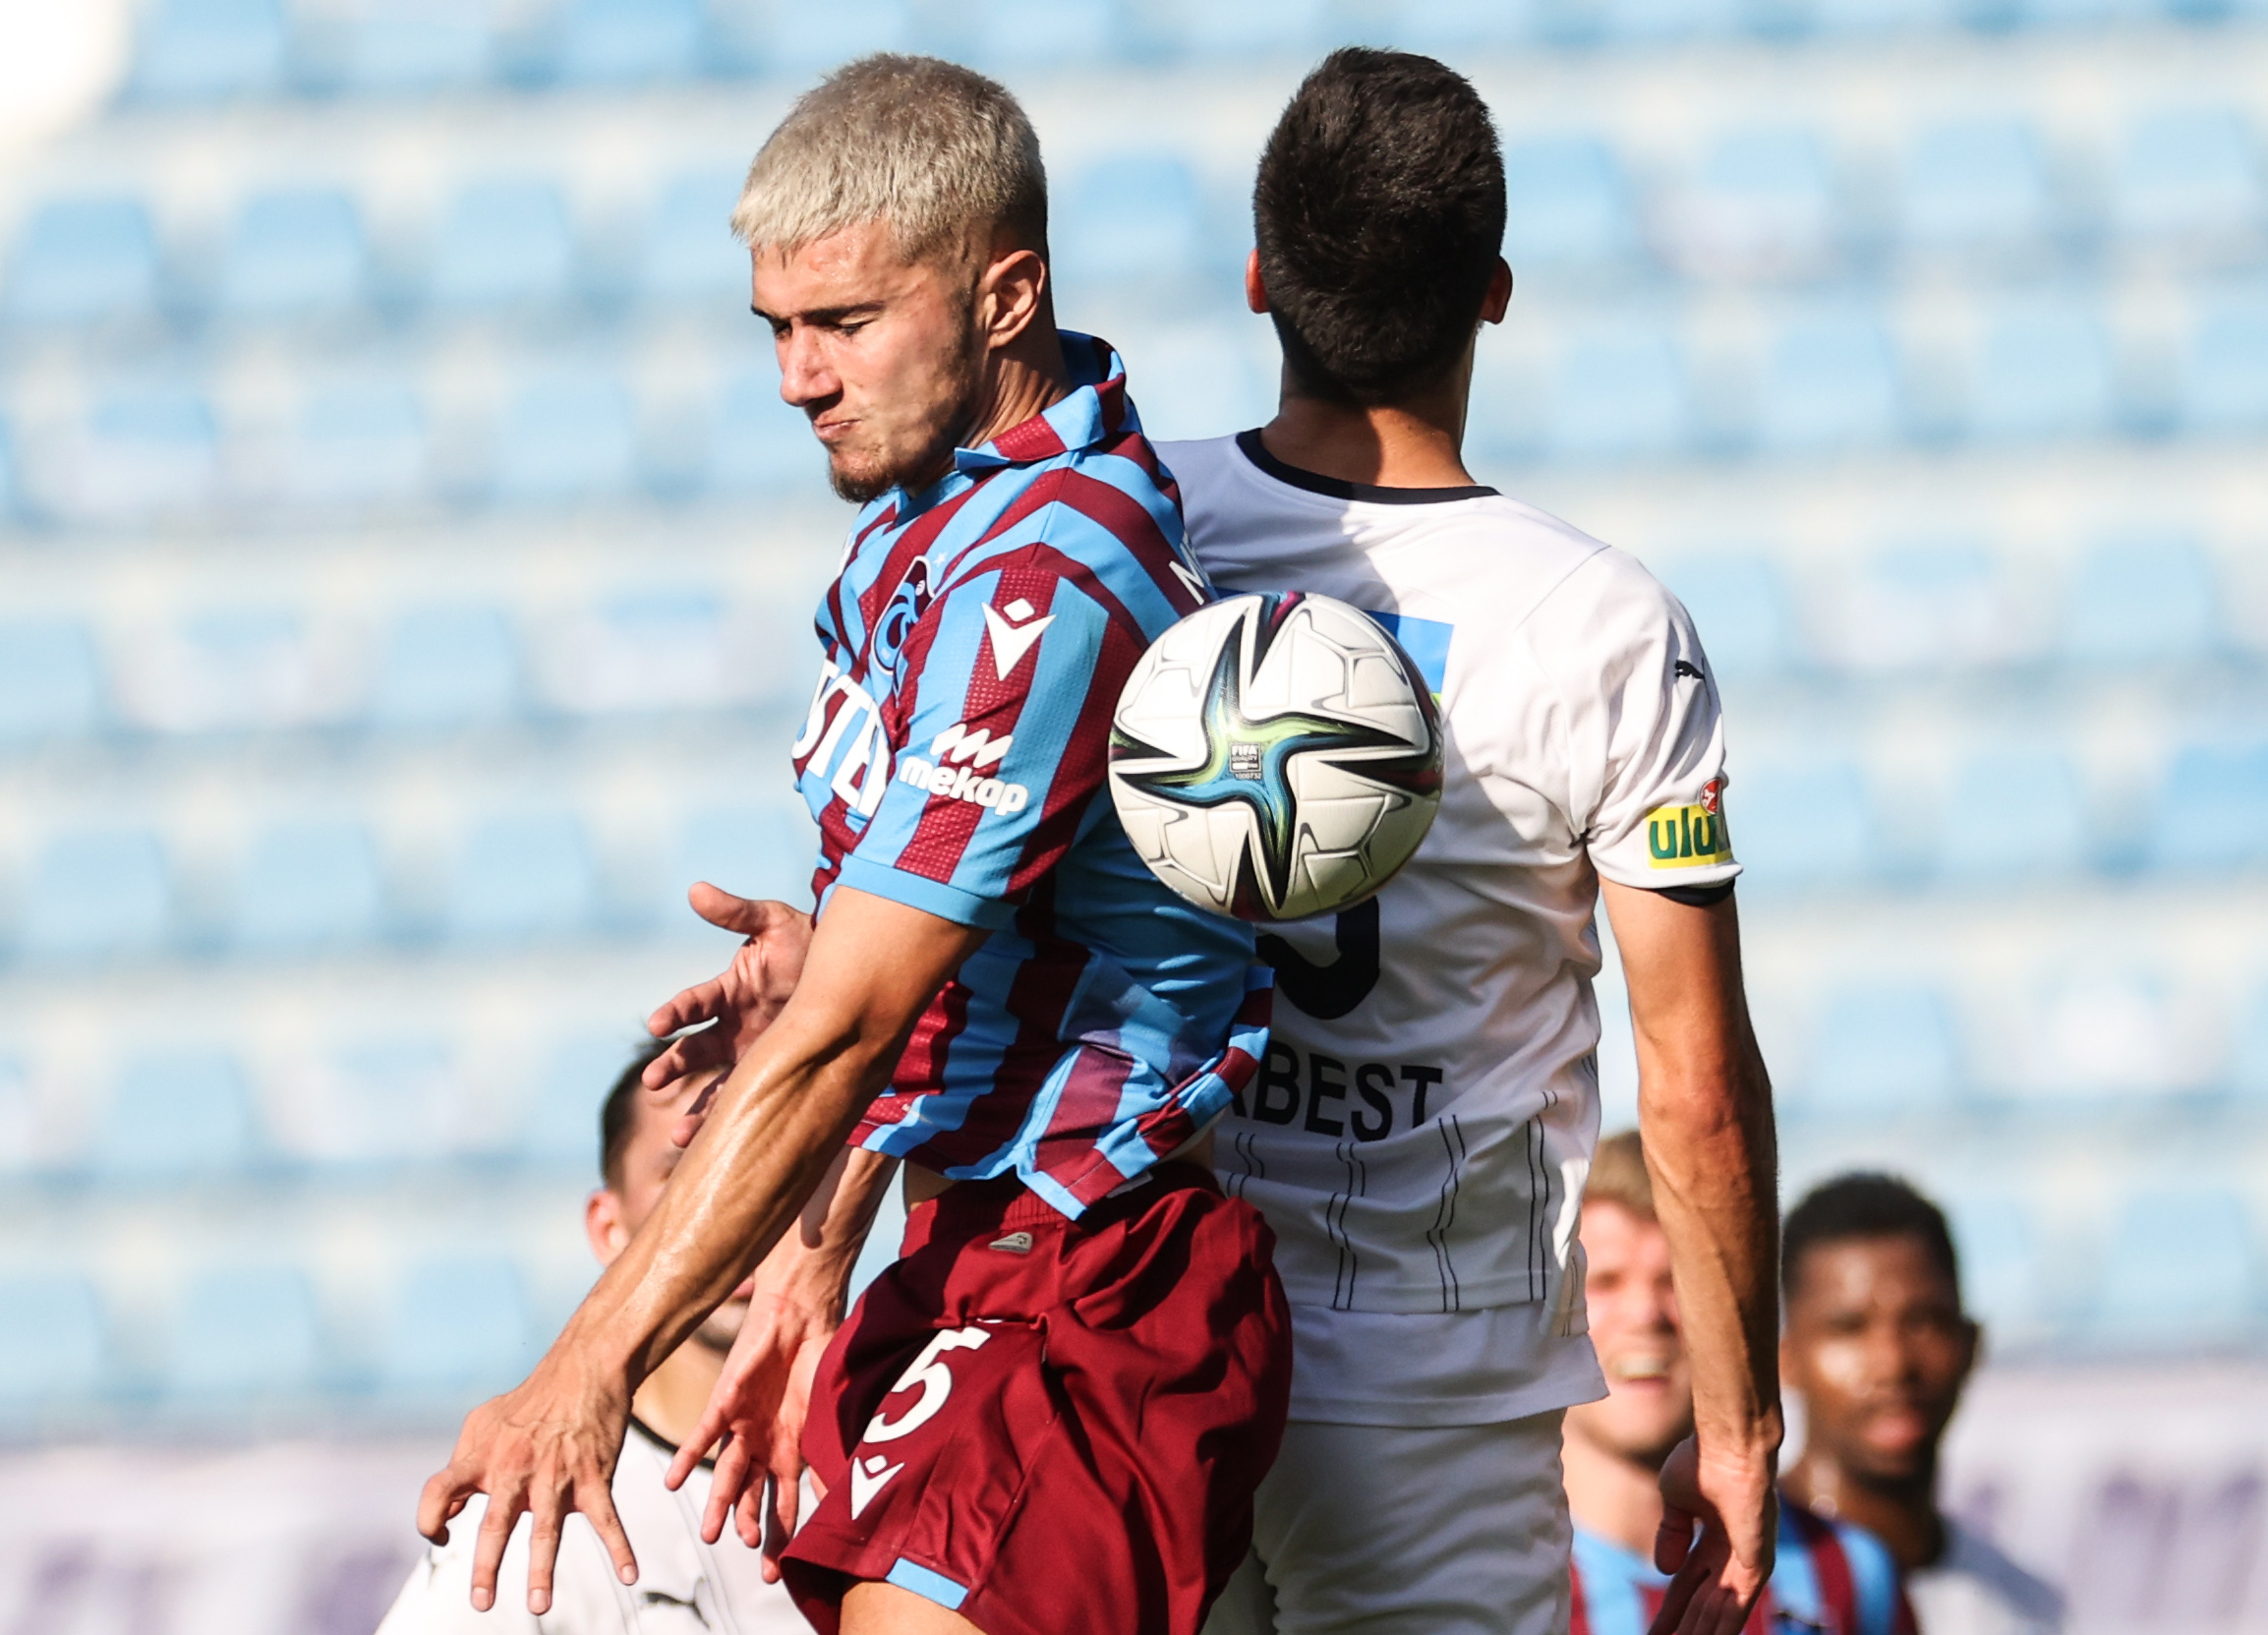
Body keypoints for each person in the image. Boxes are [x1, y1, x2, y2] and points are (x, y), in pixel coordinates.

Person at [415, 54, 1291, 1635]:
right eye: (775, 328)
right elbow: (928, 971)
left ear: (1005, 295)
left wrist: (587, 1364)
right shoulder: (923, 522)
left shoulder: (1046, 571)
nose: (794, 377)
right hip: (959, 1257)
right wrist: (822, 1249)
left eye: (841, 322)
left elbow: (851, 1026)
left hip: (1092, 1275)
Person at [1160, 49, 1782, 1635]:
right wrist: (1735, 1424)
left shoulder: (1132, 531)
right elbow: (1692, 1078)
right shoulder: (1604, 624)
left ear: (1257, 275)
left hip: (1154, 1328)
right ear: (1493, 293)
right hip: (1430, 1383)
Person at [378, 1046, 807, 1633]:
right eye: (687, 1178)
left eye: (766, 1166)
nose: (735, 1214)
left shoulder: (895, 1450)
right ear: (609, 1229)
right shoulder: (536, 1509)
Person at [1564, 1134, 1913, 1635]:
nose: (1645, 1314)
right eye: (1605, 1281)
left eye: (1676, 1282)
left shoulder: (1852, 1575)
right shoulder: (1474, 1583)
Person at [1780, 1176, 2064, 1635]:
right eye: (1850, 1328)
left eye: (1924, 1322)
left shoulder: (2026, 1608)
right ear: (1785, 1360)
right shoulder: (1728, 1586)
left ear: (1970, 1344)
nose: (1893, 1364)